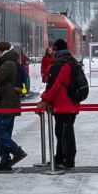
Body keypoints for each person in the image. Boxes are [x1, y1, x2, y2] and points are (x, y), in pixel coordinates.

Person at [0, 40, 28, 171]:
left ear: (3, 52)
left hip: (7, 103)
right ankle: (5, 160)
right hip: (9, 101)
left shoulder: (8, 64)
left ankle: (17, 151)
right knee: (4, 133)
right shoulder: (10, 62)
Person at [40, 37, 82, 170]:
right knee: (64, 131)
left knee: (63, 133)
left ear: (56, 50)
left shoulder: (60, 64)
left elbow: (55, 85)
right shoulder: (72, 61)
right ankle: (60, 158)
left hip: (63, 104)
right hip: (72, 102)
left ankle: (67, 159)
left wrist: (45, 99)